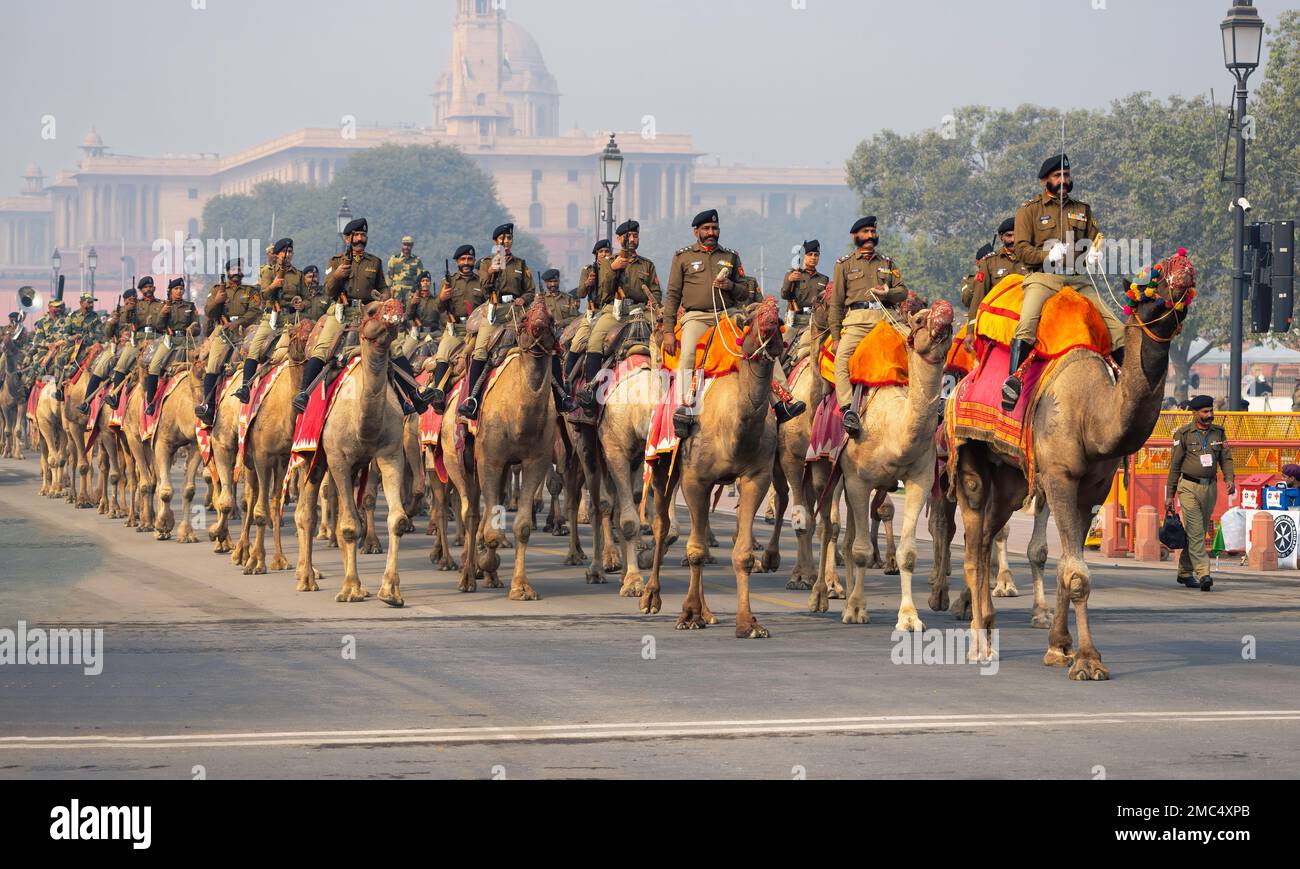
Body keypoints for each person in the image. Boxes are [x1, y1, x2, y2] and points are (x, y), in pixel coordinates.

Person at [1003, 154, 1126, 411]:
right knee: (1027, 322)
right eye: (1057, 176)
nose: (1063, 181)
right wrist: (1048, 254)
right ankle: (1014, 381)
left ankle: (1125, 385)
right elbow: (1022, 250)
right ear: (1044, 180)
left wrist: (1094, 250)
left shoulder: (1082, 209)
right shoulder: (1029, 210)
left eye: (1066, 176)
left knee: (1115, 327)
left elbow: (1096, 235)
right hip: (1043, 277)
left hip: (1078, 279)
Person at [828, 215, 908, 439]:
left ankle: (928, 402)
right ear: (855, 236)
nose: (870, 237)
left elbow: (902, 291)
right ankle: (847, 410)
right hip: (858, 321)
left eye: (873, 232)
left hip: (887, 318)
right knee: (841, 358)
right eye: (865, 233)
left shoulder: (888, 263)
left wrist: (888, 293)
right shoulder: (844, 265)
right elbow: (835, 303)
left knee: (917, 346)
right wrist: (835, 337)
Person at [577, 220, 660, 411]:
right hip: (614, 311)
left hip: (642, 311)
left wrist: (653, 301)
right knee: (594, 342)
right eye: (628, 236)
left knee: (664, 338)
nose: (632, 240)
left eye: (635, 236)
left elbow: (656, 291)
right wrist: (613, 269)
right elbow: (603, 293)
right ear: (619, 239)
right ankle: (591, 390)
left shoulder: (647, 265)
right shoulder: (607, 263)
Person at [461, 223, 536, 420]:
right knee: (480, 349)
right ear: (496, 242)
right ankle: (472, 400)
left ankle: (559, 396)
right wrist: (492, 271)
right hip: (494, 311)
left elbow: (530, 290)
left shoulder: (520, 264)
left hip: (516, 311)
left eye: (509, 238)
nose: (506, 242)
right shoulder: (486, 263)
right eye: (502, 239)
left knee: (538, 343)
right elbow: (485, 290)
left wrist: (524, 299)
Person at [1165, 395, 1235, 591]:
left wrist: (1230, 479)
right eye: (1205, 412)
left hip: (1210, 487)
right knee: (1196, 532)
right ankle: (1204, 573)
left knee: (1197, 531)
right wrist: (1170, 494)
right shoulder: (1183, 434)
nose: (1209, 415)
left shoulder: (1218, 433)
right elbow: (1175, 466)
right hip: (1188, 487)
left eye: (1211, 411)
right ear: (1194, 413)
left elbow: (1226, 459)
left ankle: (1184, 572)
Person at [235, 237, 306, 404]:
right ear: (277, 255)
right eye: (284, 252)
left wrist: (302, 304)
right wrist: (274, 285)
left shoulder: (298, 275)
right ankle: (245, 386)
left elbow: (307, 298)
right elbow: (263, 295)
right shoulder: (268, 271)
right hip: (271, 319)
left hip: (293, 319)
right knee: (255, 348)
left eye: (290, 252)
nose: (287, 255)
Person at [196, 260, 262, 424]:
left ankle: (248, 388)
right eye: (233, 269)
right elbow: (208, 312)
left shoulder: (250, 291)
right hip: (224, 331)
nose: (236, 272)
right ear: (227, 272)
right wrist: (217, 301)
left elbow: (254, 310)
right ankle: (209, 407)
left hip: (246, 328)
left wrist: (238, 323)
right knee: (213, 365)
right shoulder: (217, 290)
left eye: (239, 269)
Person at [427, 244, 485, 414]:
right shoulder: (450, 281)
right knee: (443, 351)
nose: (467, 262)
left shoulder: (481, 281)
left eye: (470, 259)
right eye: (463, 259)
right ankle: (438, 392)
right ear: (457, 262)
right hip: (456, 329)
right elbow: (438, 308)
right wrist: (441, 298)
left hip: (476, 330)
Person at [780, 239, 829, 363]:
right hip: (795, 321)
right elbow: (784, 295)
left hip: (815, 322)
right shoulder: (793, 274)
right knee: (780, 351)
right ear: (803, 256)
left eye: (816, 255)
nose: (813, 258)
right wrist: (789, 280)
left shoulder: (824, 279)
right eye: (810, 254)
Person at [387, 235, 425, 305]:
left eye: (409, 245)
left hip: (411, 293)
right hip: (396, 293)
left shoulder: (417, 260)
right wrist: (388, 294)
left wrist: (419, 293)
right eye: (405, 245)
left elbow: (421, 278)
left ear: (412, 246)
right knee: (396, 313)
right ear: (401, 245)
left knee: (410, 313)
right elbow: (389, 278)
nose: (406, 247)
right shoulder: (394, 259)